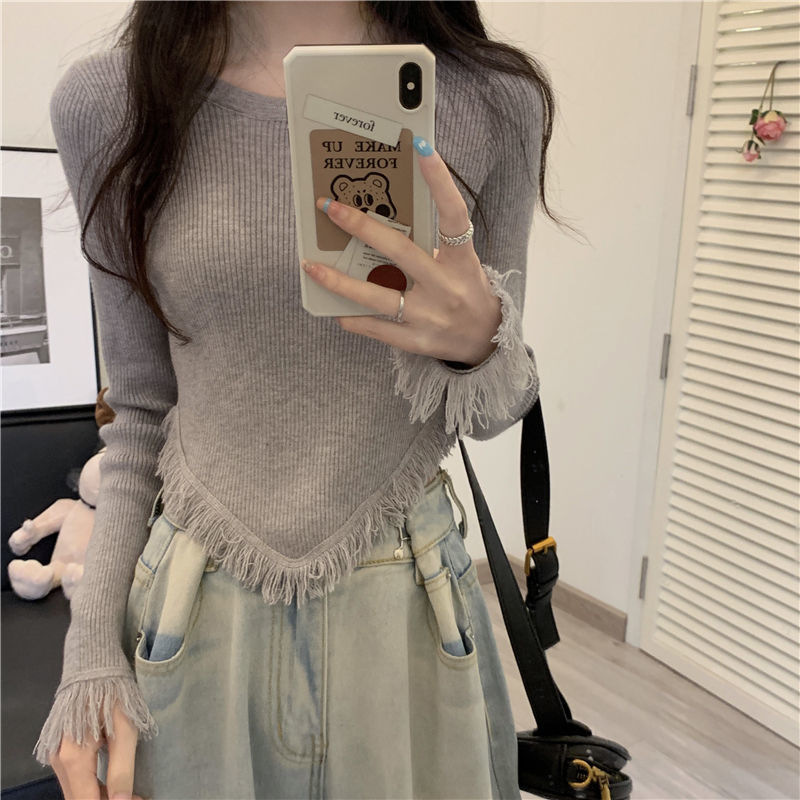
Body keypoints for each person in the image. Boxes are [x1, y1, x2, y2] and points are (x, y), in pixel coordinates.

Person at [35, 1, 560, 797]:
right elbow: (139, 412)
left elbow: (492, 413)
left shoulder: (493, 99)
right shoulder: (113, 100)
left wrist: (479, 338)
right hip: (193, 607)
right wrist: (89, 654)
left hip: (410, 606)